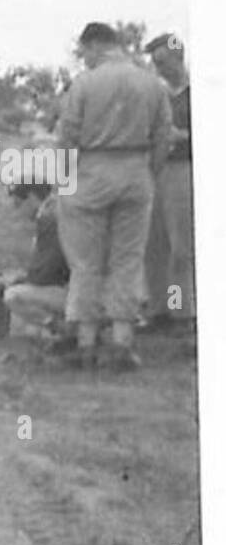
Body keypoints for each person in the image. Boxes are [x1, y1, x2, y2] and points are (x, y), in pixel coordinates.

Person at [55, 22, 172, 370]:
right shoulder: (151, 83)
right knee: (128, 259)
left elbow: (67, 136)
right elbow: (163, 135)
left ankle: (86, 343)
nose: (85, 59)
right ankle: (122, 342)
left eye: (85, 52)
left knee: (87, 262)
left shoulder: (85, 83)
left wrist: (63, 180)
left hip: (91, 172)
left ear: (93, 46)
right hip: (136, 171)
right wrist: (149, 172)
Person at [143, 32, 195, 334]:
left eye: (162, 61)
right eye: (154, 63)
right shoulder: (160, 96)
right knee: (154, 244)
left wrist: (181, 136)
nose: (159, 68)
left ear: (179, 56)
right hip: (157, 171)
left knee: (180, 247)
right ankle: (158, 308)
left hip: (183, 170)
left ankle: (181, 310)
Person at [3, 182, 70, 343]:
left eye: (19, 204)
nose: (17, 211)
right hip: (100, 288)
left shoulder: (48, 217)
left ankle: (62, 328)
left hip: (79, 294)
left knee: (13, 296)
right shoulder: (61, 208)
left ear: (32, 198)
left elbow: (46, 273)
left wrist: (22, 279)